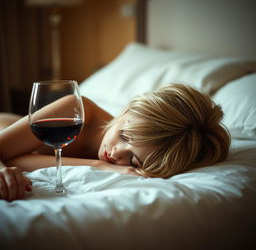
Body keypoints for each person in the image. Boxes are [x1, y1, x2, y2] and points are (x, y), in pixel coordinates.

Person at [0, 83, 230, 201]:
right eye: (125, 135)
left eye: (135, 160)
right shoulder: (76, 109)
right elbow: (5, 151)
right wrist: (98, 166)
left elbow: (17, 158)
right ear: (127, 109)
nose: (118, 154)